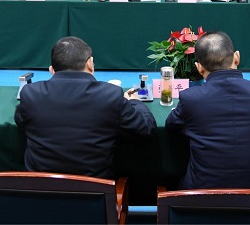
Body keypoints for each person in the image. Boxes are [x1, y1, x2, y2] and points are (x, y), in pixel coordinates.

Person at [165, 31, 250, 189]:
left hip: (200, 196)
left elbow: (172, 126)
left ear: (199, 68)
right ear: (237, 57)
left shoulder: (190, 98)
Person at [14, 36, 156, 179]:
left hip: (40, 190)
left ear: (52, 70)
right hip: (95, 191)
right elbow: (146, 129)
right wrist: (135, 102)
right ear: (90, 63)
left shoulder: (30, 94)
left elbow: (21, 121)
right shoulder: (110, 95)